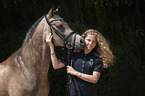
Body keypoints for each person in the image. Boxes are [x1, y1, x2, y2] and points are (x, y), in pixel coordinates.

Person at [46, 29, 115, 96]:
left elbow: (94, 79)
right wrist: (51, 47)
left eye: (93, 42)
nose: (90, 43)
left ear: (96, 44)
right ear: (83, 39)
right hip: (73, 93)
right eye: (88, 40)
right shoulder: (74, 54)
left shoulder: (97, 59)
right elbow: (56, 65)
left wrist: (75, 73)